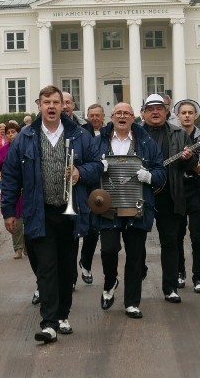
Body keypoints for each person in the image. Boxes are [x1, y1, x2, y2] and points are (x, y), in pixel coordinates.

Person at [0, 85, 102, 344]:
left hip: (70, 212)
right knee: (45, 267)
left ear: (64, 106)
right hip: (39, 212)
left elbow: (97, 165)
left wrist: (81, 173)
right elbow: (11, 177)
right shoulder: (25, 136)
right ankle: (49, 323)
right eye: (46, 102)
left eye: (56, 102)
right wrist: (9, 211)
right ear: (39, 105)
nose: (52, 106)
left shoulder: (79, 135)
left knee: (67, 269)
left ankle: (62, 314)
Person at [93, 102, 165, 318]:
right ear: (111, 117)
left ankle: (132, 302)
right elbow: (85, 167)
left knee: (135, 256)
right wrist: (98, 167)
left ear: (134, 117)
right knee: (108, 250)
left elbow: (162, 171)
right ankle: (110, 281)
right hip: (107, 207)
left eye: (126, 113)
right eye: (118, 113)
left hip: (137, 207)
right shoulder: (98, 143)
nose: (122, 116)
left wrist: (150, 177)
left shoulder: (146, 142)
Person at [140, 93, 195, 303]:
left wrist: (190, 158)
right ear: (143, 113)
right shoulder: (134, 134)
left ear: (167, 111)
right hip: (142, 194)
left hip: (170, 195)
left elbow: (191, 165)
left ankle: (170, 287)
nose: (155, 112)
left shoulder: (179, 134)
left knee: (170, 242)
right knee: (136, 242)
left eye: (159, 108)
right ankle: (138, 275)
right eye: (151, 109)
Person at [173, 99, 200, 294]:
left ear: (196, 115)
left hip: (197, 191)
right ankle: (180, 272)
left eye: (190, 112)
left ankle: (198, 278)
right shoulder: (173, 137)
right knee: (177, 235)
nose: (187, 115)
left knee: (197, 236)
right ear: (178, 116)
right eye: (183, 113)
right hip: (178, 191)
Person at [79, 103, 106, 282]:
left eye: (98, 115)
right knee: (91, 229)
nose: (94, 118)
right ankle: (85, 265)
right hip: (89, 188)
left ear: (103, 117)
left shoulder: (108, 135)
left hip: (108, 187)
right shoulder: (82, 134)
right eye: (91, 115)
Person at [0, 121, 24, 258]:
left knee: (27, 219)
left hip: (24, 188)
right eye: (8, 133)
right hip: (11, 187)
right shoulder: (3, 150)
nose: (10, 135)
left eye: (13, 132)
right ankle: (18, 248)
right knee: (16, 219)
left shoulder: (23, 147)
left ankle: (27, 247)